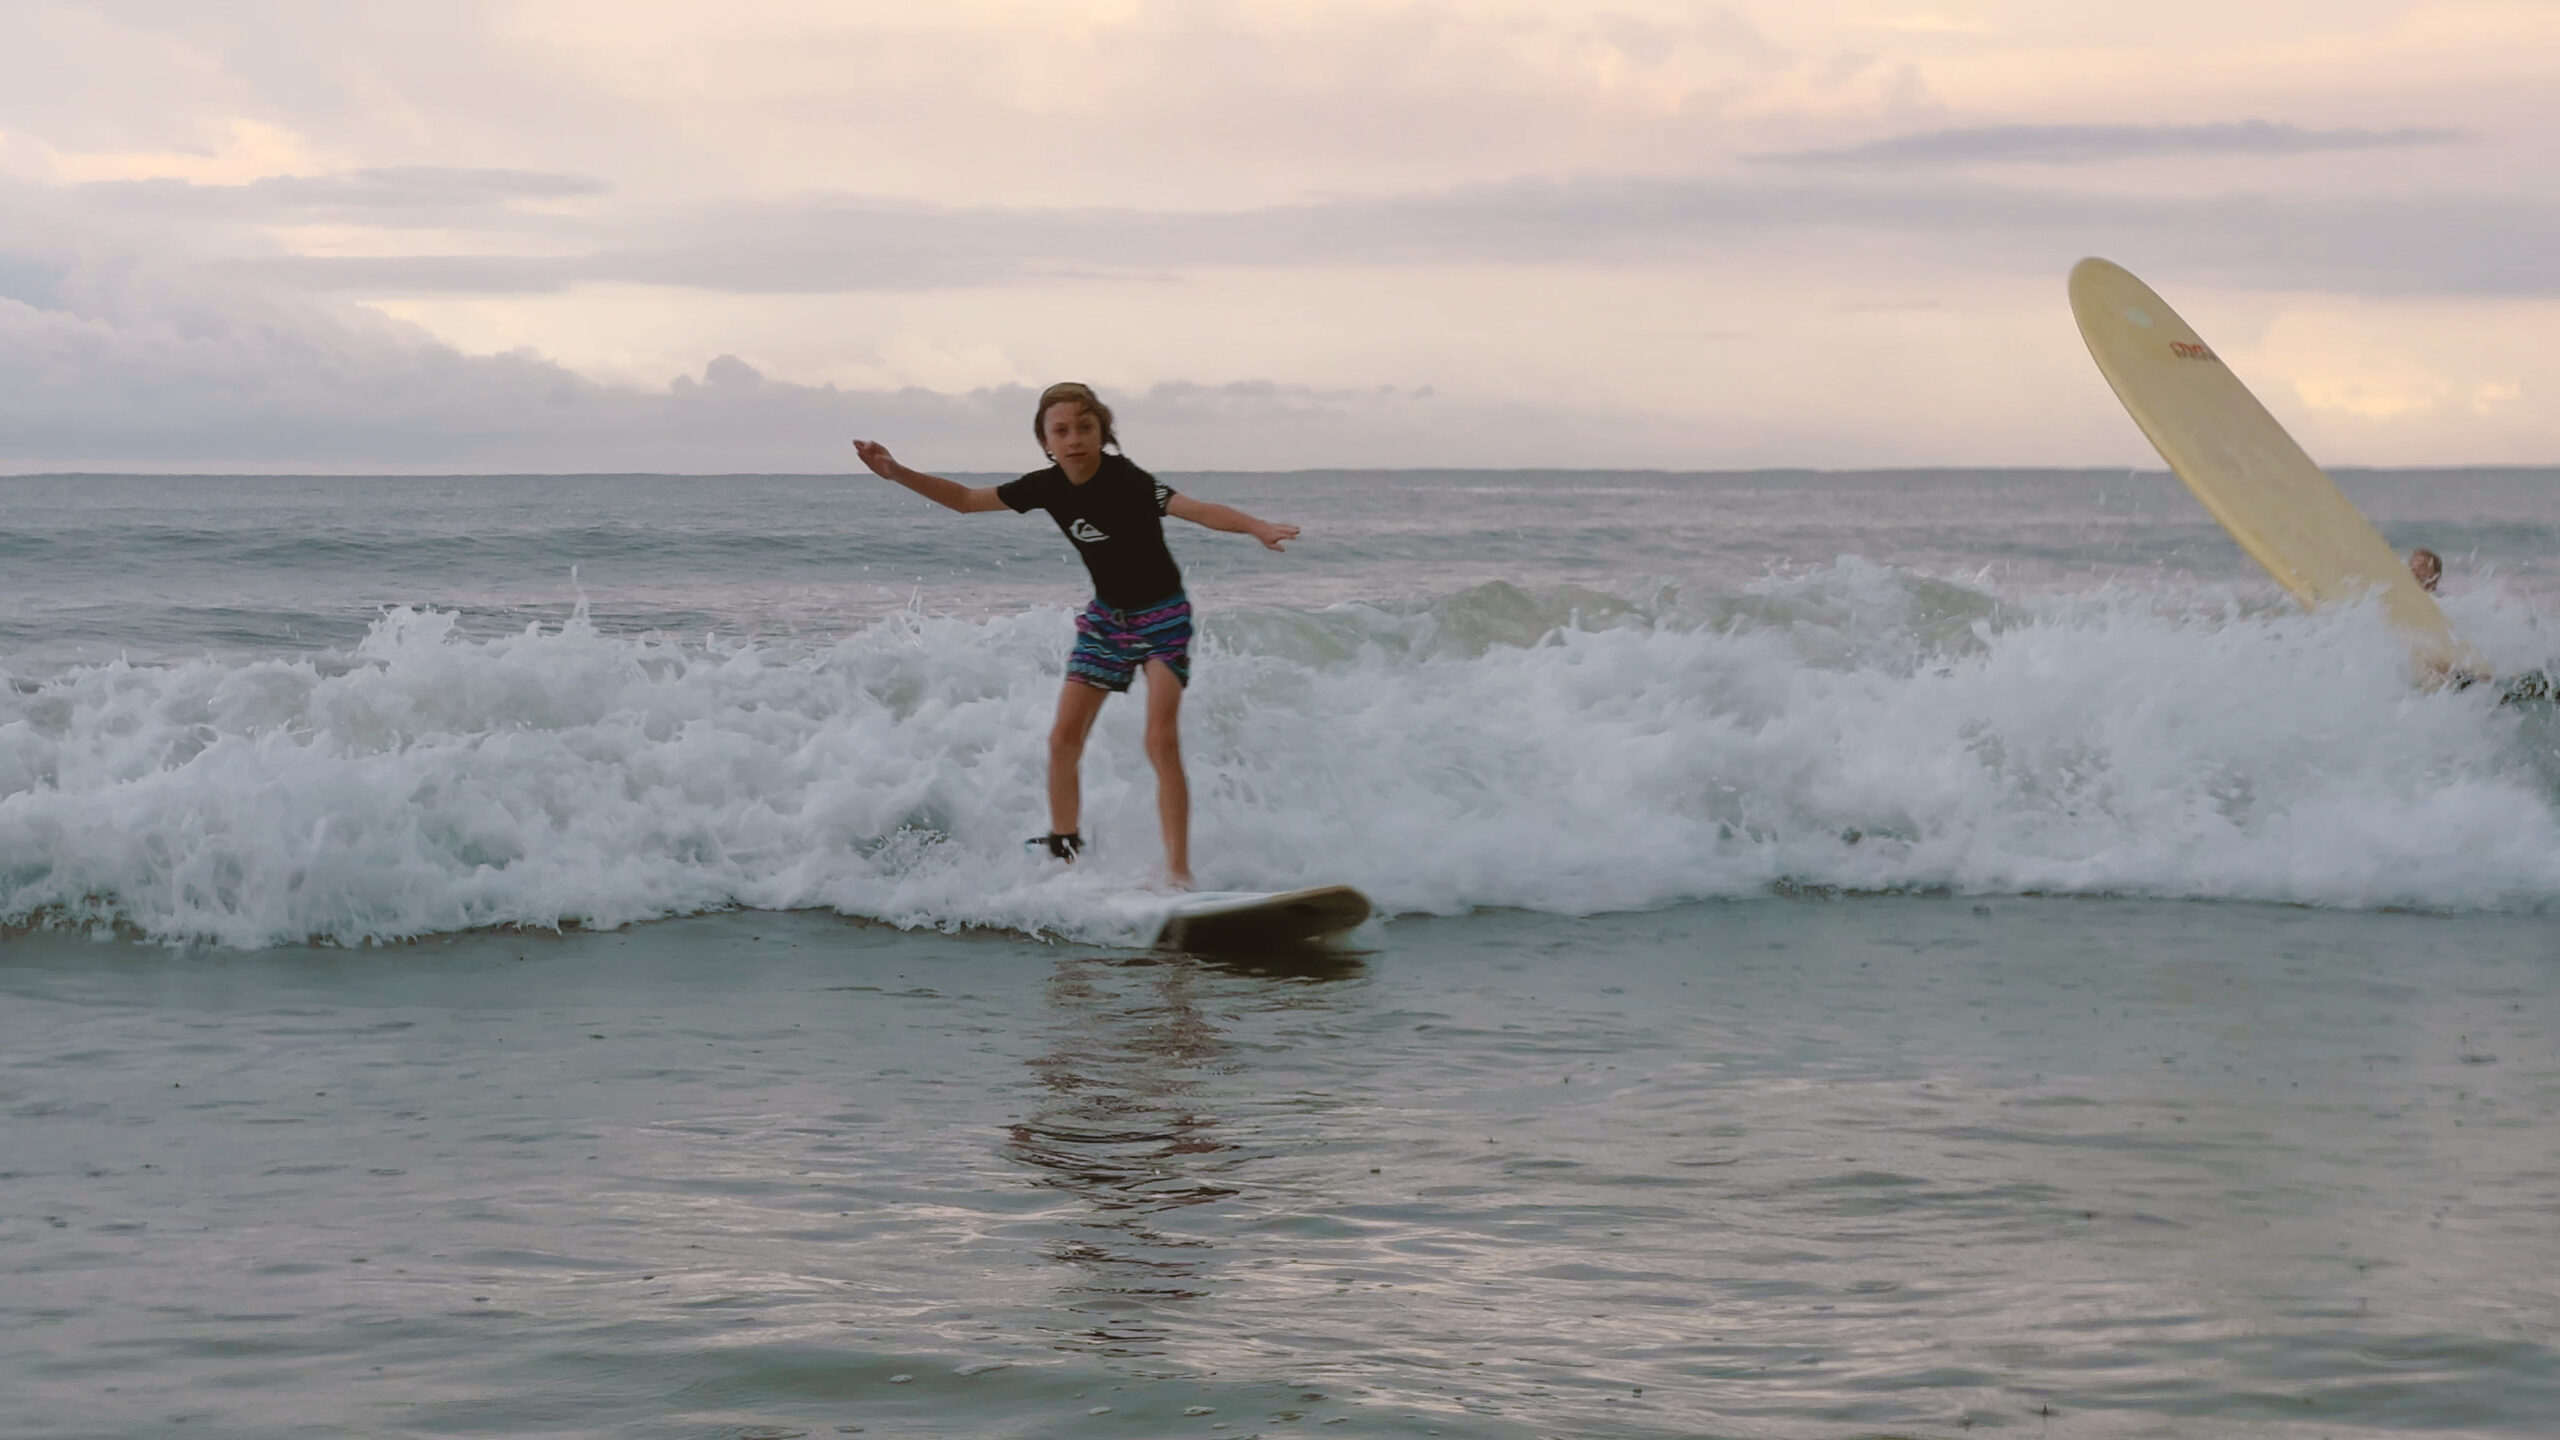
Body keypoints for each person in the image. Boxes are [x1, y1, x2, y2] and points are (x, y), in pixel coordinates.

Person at [852, 382, 1299, 889]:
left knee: (1160, 739)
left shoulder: (1128, 480)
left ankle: (1178, 872)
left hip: (1162, 617)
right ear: (1045, 442)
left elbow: (1195, 509)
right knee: (1063, 739)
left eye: (1085, 428)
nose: (1074, 439)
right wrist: (895, 472)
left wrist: (1257, 527)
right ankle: (1064, 854)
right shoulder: (1046, 487)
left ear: (1102, 432)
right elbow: (964, 500)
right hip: (1107, 621)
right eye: (1060, 431)